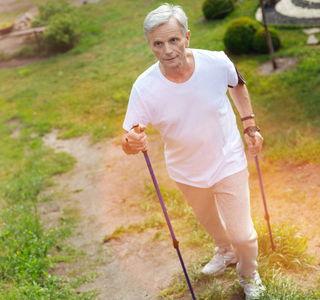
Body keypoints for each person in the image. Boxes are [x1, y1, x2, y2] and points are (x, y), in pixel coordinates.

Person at [121, 3, 266, 299]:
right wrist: (131, 142)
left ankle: (249, 274)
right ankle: (224, 251)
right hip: (185, 170)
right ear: (150, 46)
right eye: (158, 44)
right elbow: (129, 137)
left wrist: (249, 125)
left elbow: (237, 84)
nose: (167, 50)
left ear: (187, 36)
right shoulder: (144, 87)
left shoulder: (215, 62)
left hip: (228, 159)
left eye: (173, 40)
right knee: (210, 221)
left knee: (243, 234)